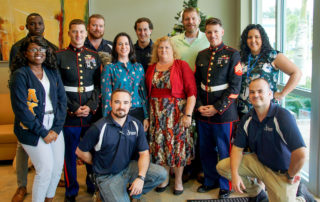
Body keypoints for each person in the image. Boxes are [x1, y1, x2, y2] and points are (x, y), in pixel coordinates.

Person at [217, 78, 307, 202]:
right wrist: (235, 175)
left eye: (260, 91)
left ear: (270, 94)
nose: (256, 95)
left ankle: (301, 197)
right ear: (249, 97)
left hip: (282, 173)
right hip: (260, 163)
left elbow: (301, 154)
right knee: (223, 167)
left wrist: (291, 175)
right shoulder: (248, 118)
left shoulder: (282, 116)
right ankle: (258, 194)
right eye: (252, 92)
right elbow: (237, 149)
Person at [75, 89, 167, 202]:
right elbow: (80, 151)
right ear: (110, 103)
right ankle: (103, 193)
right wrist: (97, 163)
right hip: (107, 175)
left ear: (130, 105)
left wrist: (141, 178)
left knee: (161, 174)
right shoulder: (99, 127)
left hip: (127, 167)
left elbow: (144, 153)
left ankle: (132, 193)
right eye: (117, 102)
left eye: (125, 102)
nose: (121, 106)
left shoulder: (136, 124)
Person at [9, 36, 67, 202]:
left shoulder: (51, 71)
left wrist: (56, 129)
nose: (38, 53)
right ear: (25, 53)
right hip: (31, 128)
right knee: (45, 169)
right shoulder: (20, 75)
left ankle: (49, 199)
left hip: (54, 125)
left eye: (41, 49)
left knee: (56, 169)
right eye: (33, 49)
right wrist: (43, 132)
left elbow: (62, 101)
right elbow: (21, 109)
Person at [194, 17, 242, 198]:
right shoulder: (202, 55)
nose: (212, 35)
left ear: (222, 32)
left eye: (215, 31)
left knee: (224, 151)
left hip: (224, 113)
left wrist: (216, 108)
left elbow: (235, 87)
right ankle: (210, 180)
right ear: (205, 34)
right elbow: (196, 84)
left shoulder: (232, 54)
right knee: (205, 149)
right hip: (203, 113)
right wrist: (199, 107)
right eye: (209, 32)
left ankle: (225, 185)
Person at [56, 19, 101, 202]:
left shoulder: (93, 55)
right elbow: (58, 88)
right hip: (70, 115)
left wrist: (90, 106)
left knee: (92, 150)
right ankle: (71, 190)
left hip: (90, 114)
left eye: (81, 32)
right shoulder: (59, 56)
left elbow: (98, 85)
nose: (78, 35)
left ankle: (91, 184)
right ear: (69, 33)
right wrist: (74, 108)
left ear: (86, 32)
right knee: (70, 154)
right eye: (74, 32)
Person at [145, 36, 197, 195]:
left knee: (177, 147)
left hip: (176, 114)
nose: (163, 50)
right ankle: (164, 178)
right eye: (160, 48)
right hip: (156, 114)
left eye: (167, 47)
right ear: (156, 51)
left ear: (173, 50)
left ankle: (179, 180)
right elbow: (146, 94)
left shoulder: (181, 65)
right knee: (160, 147)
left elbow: (192, 92)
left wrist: (188, 114)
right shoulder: (151, 67)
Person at [237, 24, 302, 117]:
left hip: (266, 111)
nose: (253, 40)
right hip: (243, 110)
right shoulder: (241, 56)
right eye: (249, 37)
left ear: (262, 39)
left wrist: (282, 94)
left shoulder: (273, 56)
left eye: (257, 37)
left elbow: (297, 73)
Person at [101, 32, 149, 131]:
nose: (124, 47)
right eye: (120, 44)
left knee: (138, 144)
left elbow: (143, 93)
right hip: (118, 113)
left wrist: (146, 116)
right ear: (115, 47)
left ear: (130, 46)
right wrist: (107, 120)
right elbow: (107, 97)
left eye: (126, 44)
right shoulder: (110, 68)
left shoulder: (138, 67)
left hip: (137, 111)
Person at [171, 7, 209, 71]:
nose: (190, 22)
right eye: (187, 19)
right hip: (181, 80)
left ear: (199, 21)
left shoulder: (208, 39)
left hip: (202, 80)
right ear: (182, 22)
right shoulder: (172, 41)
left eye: (193, 18)